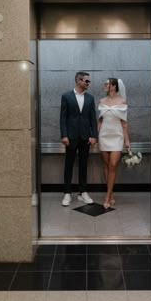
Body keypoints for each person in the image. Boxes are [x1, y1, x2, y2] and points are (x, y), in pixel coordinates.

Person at [60, 71, 98, 206]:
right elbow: (63, 117)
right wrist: (64, 135)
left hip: (85, 137)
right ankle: (67, 193)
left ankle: (83, 192)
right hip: (70, 137)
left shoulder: (90, 98)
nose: (88, 83)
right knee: (68, 165)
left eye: (89, 81)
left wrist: (94, 136)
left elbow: (93, 118)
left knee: (83, 165)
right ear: (78, 80)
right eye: (86, 81)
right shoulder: (66, 96)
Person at [98, 78, 130, 209]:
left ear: (114, 86)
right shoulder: (101, 101)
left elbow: (124, 124)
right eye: (104, 83)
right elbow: (99, 120)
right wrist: (95, 135)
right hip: (104, 136)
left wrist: (127, 141)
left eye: (107, 84)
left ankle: (107, 196)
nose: (104, 85)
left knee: (113, 165)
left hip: (117, 137)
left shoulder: (122, 102)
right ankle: (111, 194)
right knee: (106, 165)